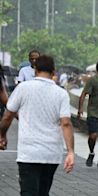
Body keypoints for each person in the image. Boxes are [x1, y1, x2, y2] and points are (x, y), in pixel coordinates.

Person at [0, 55, 75, 196]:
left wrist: (2, 135)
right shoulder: (61, 94)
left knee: (29, 192)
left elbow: (8, 116)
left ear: (35, 70)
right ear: (53, 72)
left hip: (28, 153)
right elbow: (66, 123)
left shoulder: (23, 88)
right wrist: (70, 152)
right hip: (51, 154)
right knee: (43, 192)